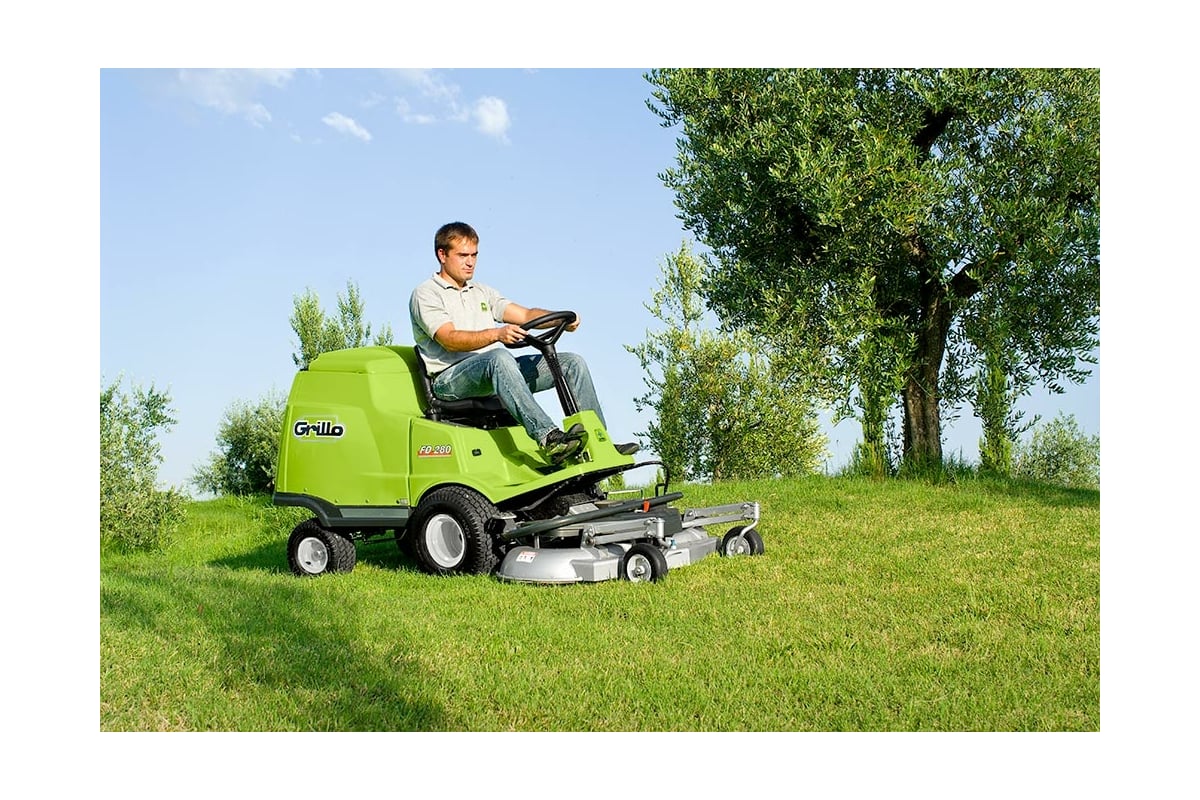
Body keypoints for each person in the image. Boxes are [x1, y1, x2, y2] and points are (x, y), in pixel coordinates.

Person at [410, 221, 638, 463]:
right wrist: (497, 334)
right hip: (451, 380)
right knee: (499, 357)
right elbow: (449, 339)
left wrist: (560, 318)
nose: (470, 262)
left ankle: (599, 442)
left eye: (474, 255)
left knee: (572, 363)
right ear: (442, 255)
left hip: (496, 370)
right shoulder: (426, 293)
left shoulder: (482, 292)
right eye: (463, 255)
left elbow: (526, 315)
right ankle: (549, 438)